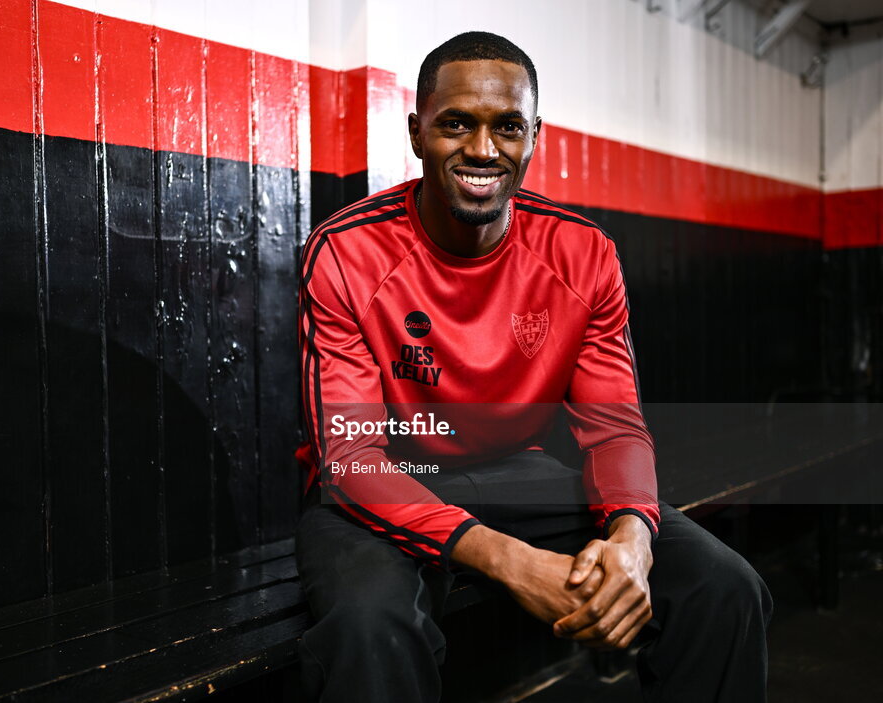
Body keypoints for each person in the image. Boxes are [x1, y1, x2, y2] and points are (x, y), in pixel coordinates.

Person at [295, 31, 772, 703]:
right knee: (370, 628)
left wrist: (632, 537)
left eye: (508, 126)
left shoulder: (584, 255)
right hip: (383, 483)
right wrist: (513, 561)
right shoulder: (345, 251)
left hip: (516, 473)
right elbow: (350, 459)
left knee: (723, 588)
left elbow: (615, 430)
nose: (484, 150)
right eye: (457, 123)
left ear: (534, 135)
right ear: (416, 131)